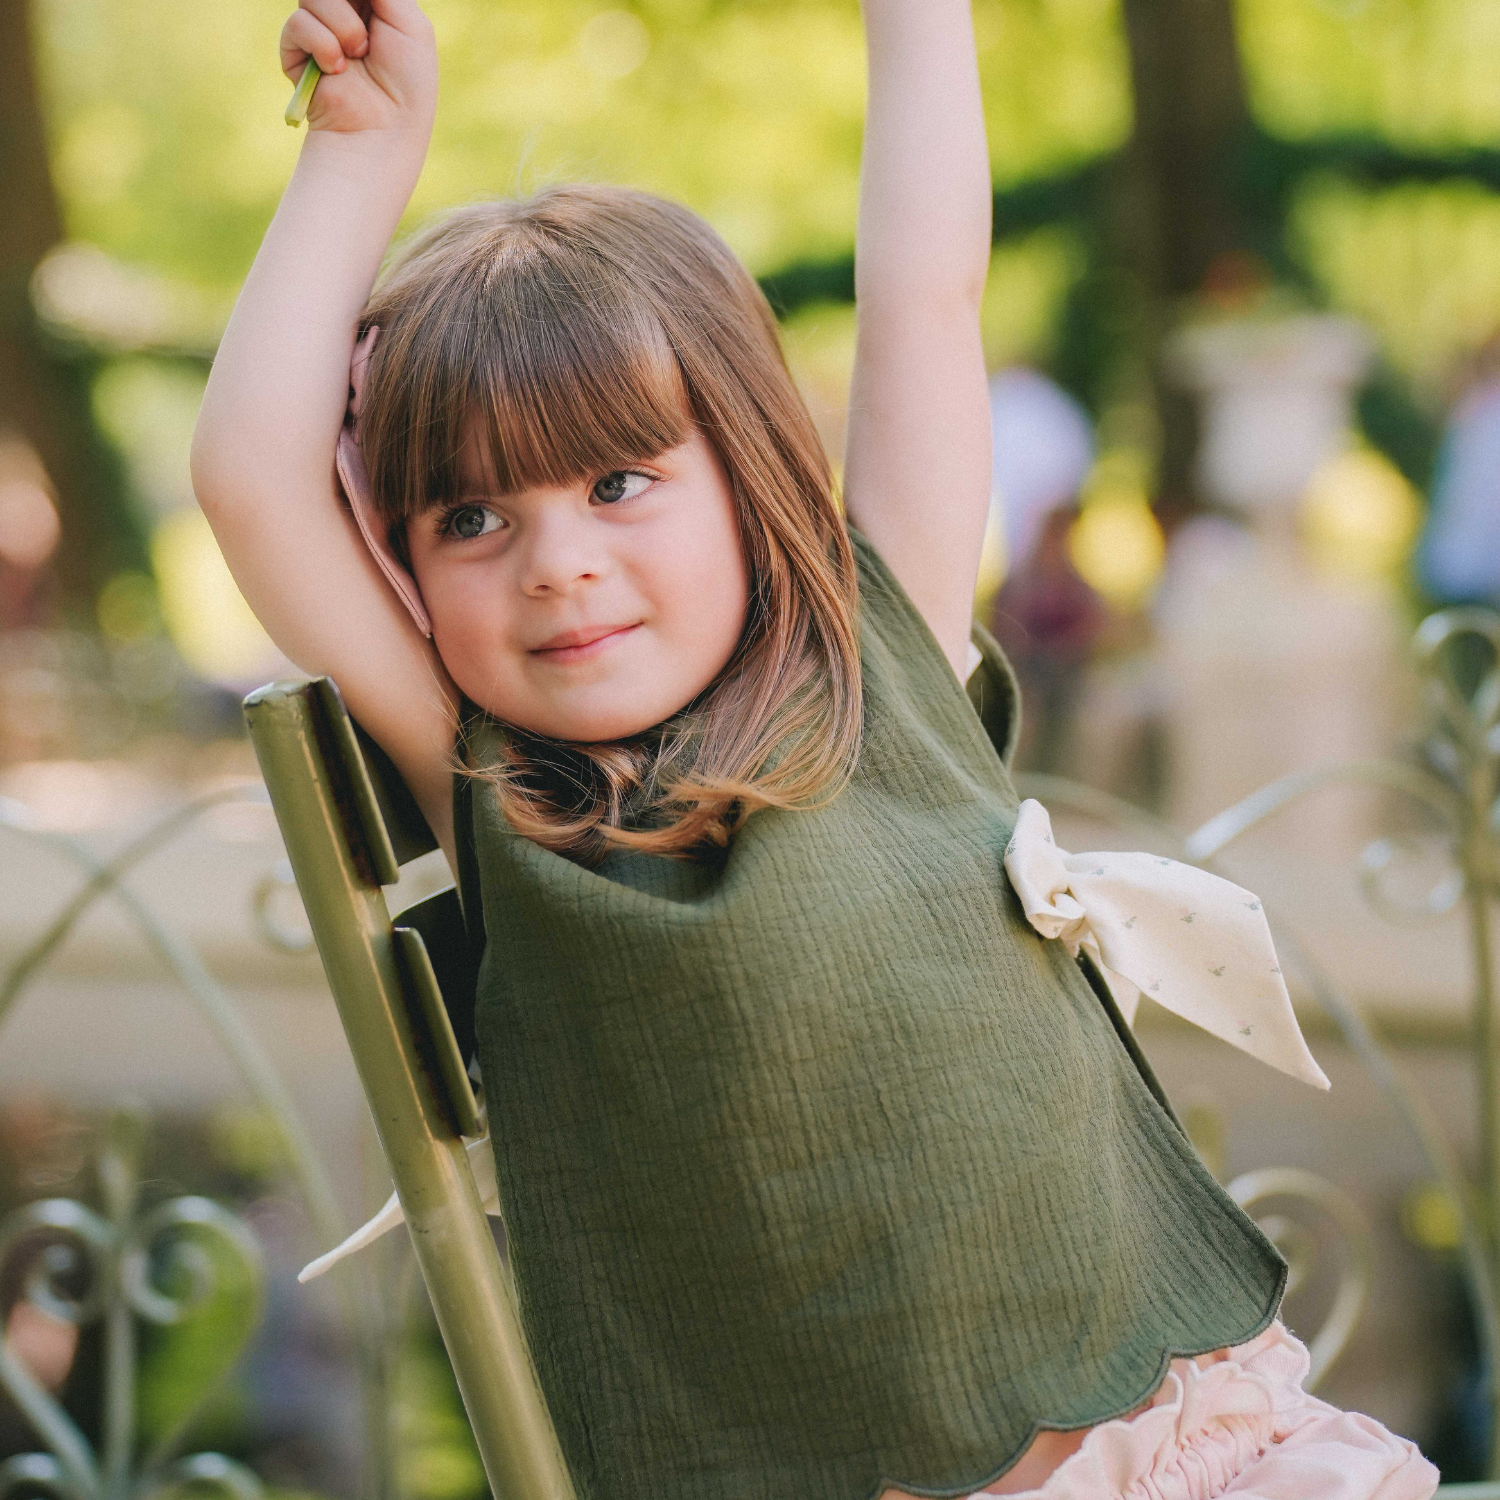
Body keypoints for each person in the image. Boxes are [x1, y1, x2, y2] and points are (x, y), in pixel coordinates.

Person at [190, 3, 1438, 1497]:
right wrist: (360, 149)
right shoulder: (505, 794)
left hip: (1191, 1453)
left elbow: (924, 294)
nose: (556, 563)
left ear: (747, 467)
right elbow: (253, 478)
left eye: (619, 479)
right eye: (473, 518)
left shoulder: (881, 644)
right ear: (403, 565)